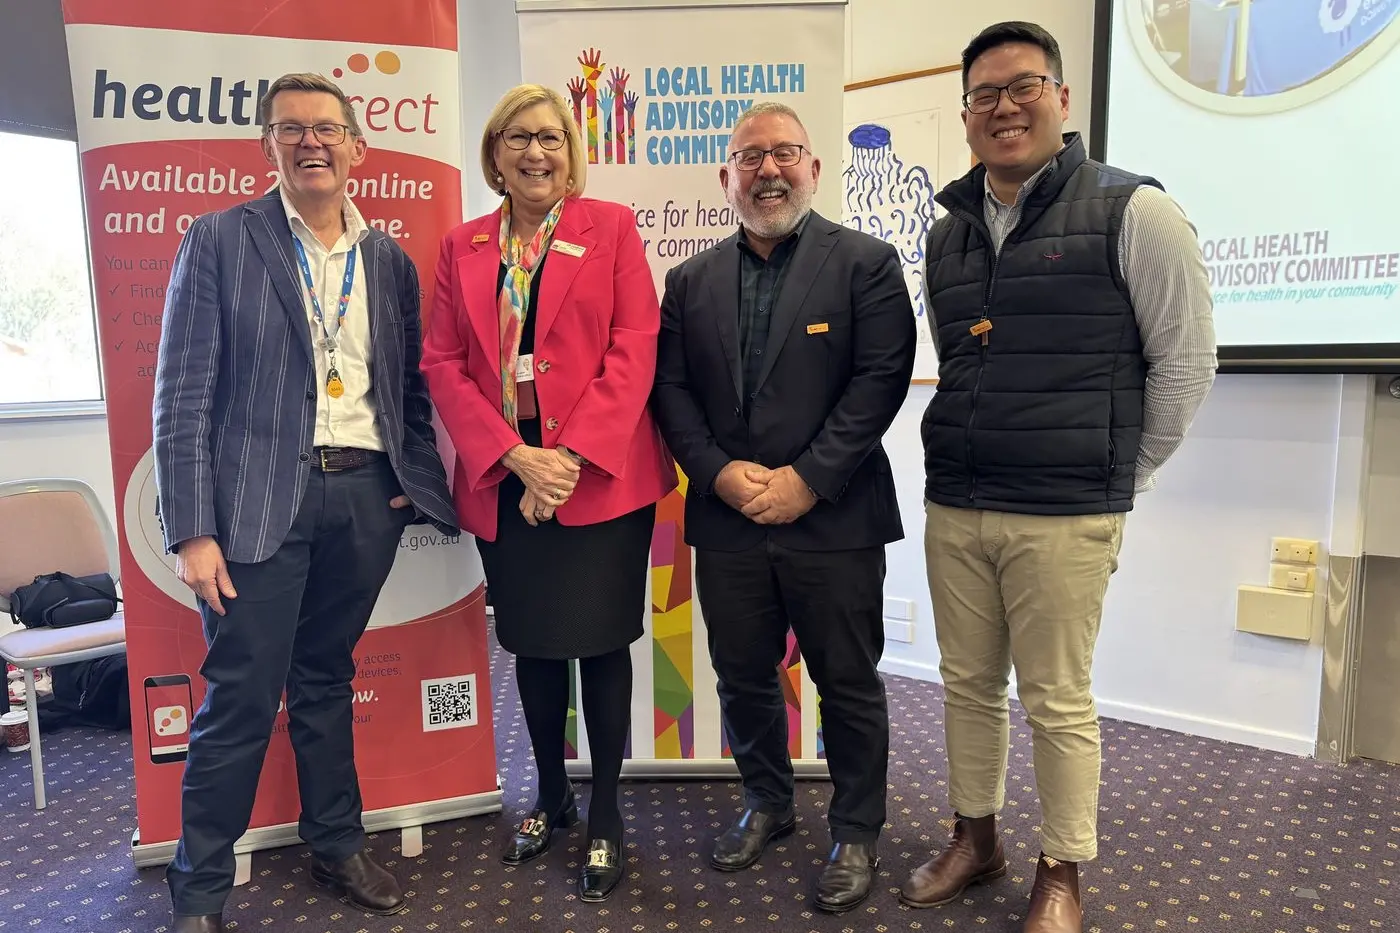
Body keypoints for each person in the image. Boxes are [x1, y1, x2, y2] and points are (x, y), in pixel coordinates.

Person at [902, 22, 1217, 933]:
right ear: (966, 115)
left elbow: (1186, 364)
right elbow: (961, 360)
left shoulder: (1134, 211)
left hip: (1066, 511)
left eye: (1023, 86)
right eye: (984, 95)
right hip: (958, 500)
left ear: (1063, 100)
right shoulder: (949, 233)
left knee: (1056, 701)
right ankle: (976, 837)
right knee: (966, 683)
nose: (1004, 107)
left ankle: (1061, 870)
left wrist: (1119, 472)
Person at [152, 73, 459, 933]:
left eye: (327, 128)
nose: (311, 143)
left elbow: (408, 385)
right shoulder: (218, 240)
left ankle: (335, 841)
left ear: (359, 148)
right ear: (269, 148)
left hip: (364, 497)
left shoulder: (389, 259)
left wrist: (406, 479)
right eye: (291, 130)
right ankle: (201, 888)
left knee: (326, 678)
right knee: (242, 695)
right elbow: (180, 397)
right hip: (254, 509)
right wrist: (194, 530)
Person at [651, 101, 915, 913]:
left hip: (834, 517)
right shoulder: (689, 281)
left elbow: (880, 380)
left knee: (847, 677)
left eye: (785, 154)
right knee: (741, 675)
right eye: (750, 157)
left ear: (813, 168)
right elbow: (671, 392)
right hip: (728, 517)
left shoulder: (867, 262)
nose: (769, 170)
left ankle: (857, 827)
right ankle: (768, 801)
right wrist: (719, 474)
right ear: (724, 178)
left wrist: (806, 479)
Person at [420, 84, 676, 903]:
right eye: (519, 139)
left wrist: (563, 459)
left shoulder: (612, 230)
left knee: (601, 644)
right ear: (495, 154)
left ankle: (604, 809)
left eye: (552, 139)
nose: (537, 153)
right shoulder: (460, 246)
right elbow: (443, 364)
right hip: (507, 482)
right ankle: (549, 794)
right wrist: (516, 458)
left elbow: (636, 347)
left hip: (599, 480)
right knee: (532, 645)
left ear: (572, 153)